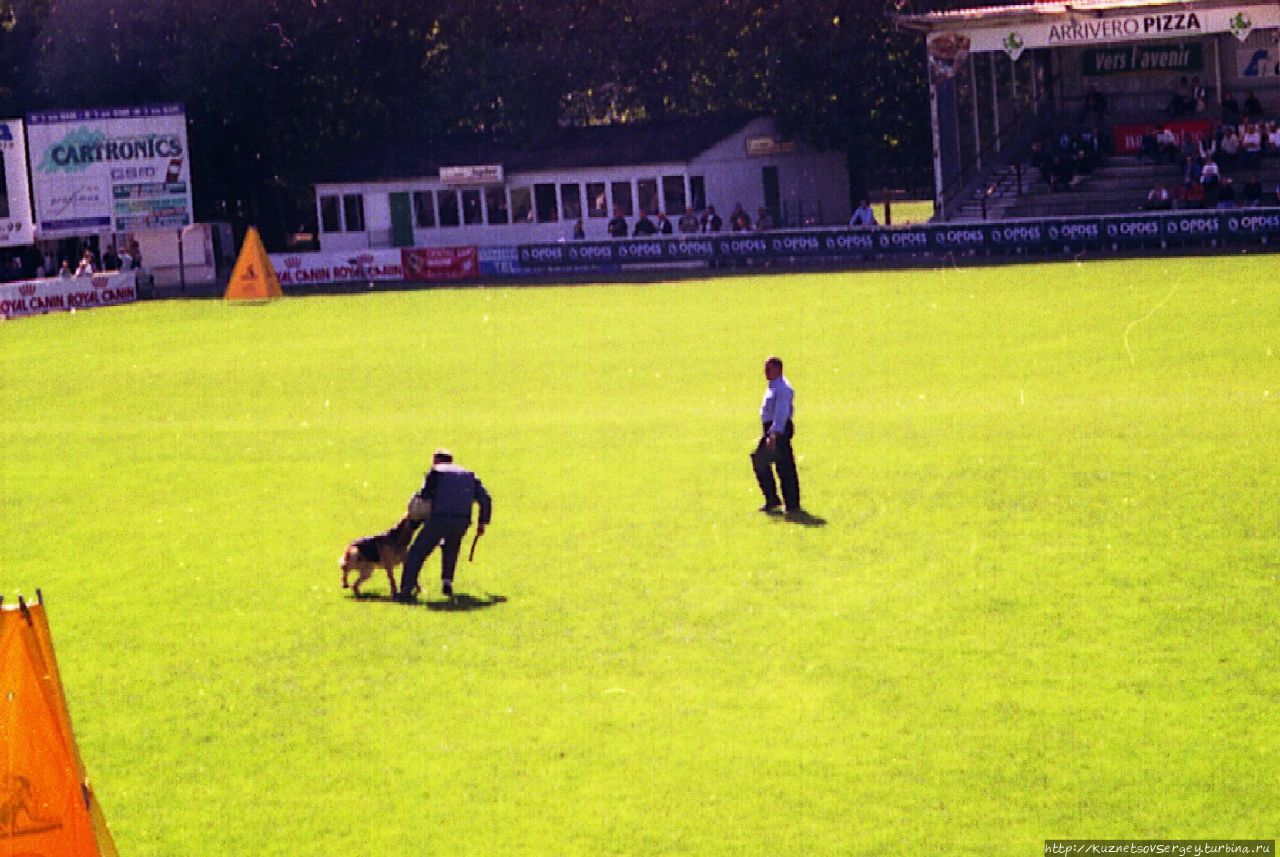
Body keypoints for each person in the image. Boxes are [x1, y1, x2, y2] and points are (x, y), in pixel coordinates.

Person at [398, 448, 492, 601]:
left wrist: (415, 522)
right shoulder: (469, 475)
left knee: (417, 552)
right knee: (451, 548)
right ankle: (447, 582)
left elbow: (425, 496)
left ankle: (405, 591)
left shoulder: (435, 472)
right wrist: (482, 522)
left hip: (439, 518)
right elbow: (485, 499)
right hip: (462, 520)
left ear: (435, 461)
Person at [750, 356, 800, 515]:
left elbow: (781, 412)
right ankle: (782, 501)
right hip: (773, 428)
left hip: (778, 429)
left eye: (768, 369)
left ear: (779, 369)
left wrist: (774, 434)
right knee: (781, 465)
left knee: (774, 464)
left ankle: (782, 501)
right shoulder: (774, 386)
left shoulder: (782, 388)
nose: (765, 372)